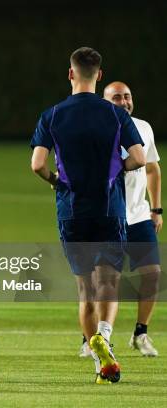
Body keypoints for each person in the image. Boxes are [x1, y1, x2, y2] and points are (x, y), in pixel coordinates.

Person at [31, 47, 146, 383]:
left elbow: (37, 164)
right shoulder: (115, 114)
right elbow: (139, 158)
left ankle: (98, 363)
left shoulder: (51, 115)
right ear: (99, 74)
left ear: (70, 74)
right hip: (109, 209)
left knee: (85, 289)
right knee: (109, 281)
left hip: (71, 211)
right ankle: (105, 338)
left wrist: (57, 182)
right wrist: (115, 172)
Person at [78, 81, 161, 358]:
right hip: (104, 217)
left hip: (137, 217)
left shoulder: (143, 128)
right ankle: (91, 338)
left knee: (152, 276)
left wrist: (156, 209)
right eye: (116, 98)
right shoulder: (94, 129)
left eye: (127, 96)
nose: (124, 101)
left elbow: (152, 169)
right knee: (97, 281)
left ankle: (140, 333)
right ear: (104, 102)